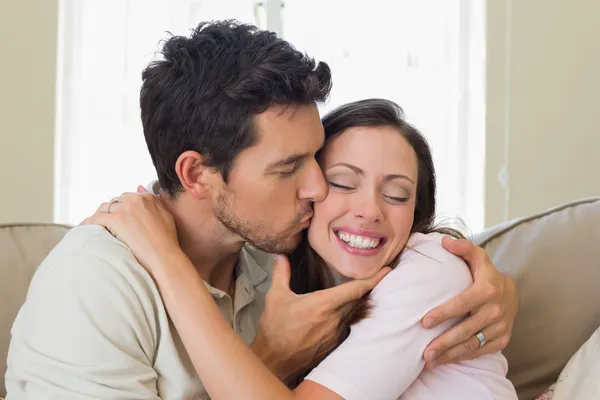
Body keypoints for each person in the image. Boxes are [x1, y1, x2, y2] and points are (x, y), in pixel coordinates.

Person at [5, 21, 518, 399]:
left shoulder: (281, 256)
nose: (318, 189)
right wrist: (270, 358)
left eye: (317, 159)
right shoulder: (93, 284)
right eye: (290, 167)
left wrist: (493, 285)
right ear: (196, 174)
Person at [87, 99, 518, 399]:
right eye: (344, 183)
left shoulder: (429, 269)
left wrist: (167, 262)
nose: (369, 210)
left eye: (398, 195)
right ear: (308, 190)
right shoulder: (277, 273)